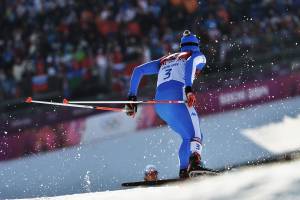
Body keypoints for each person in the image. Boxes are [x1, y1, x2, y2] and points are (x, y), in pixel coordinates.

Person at [125, 30, 210, 179]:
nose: (198, 73)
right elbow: (191, 64)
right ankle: (195, 163)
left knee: (187, 137)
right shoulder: (197, 55)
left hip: (160, 104)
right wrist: (189, 89)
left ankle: (184, 171)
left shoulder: (166, 59)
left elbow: (138, 70)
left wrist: (132, 98)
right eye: (198, 72)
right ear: (196, 46)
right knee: (196, 135)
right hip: (178, 96)